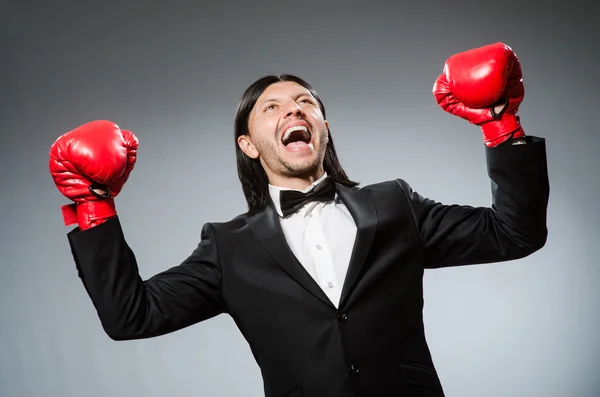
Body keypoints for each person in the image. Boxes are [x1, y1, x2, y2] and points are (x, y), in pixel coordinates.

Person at [49, 42, 549, 397]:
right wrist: (94, 206)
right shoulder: (229, 247)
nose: (294, 110)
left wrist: (501, 123)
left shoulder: (395, 205)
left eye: (306, 102)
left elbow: (516, 233)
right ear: (248, 145)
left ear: (323, 128)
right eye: (272, 108)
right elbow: (130, 316)